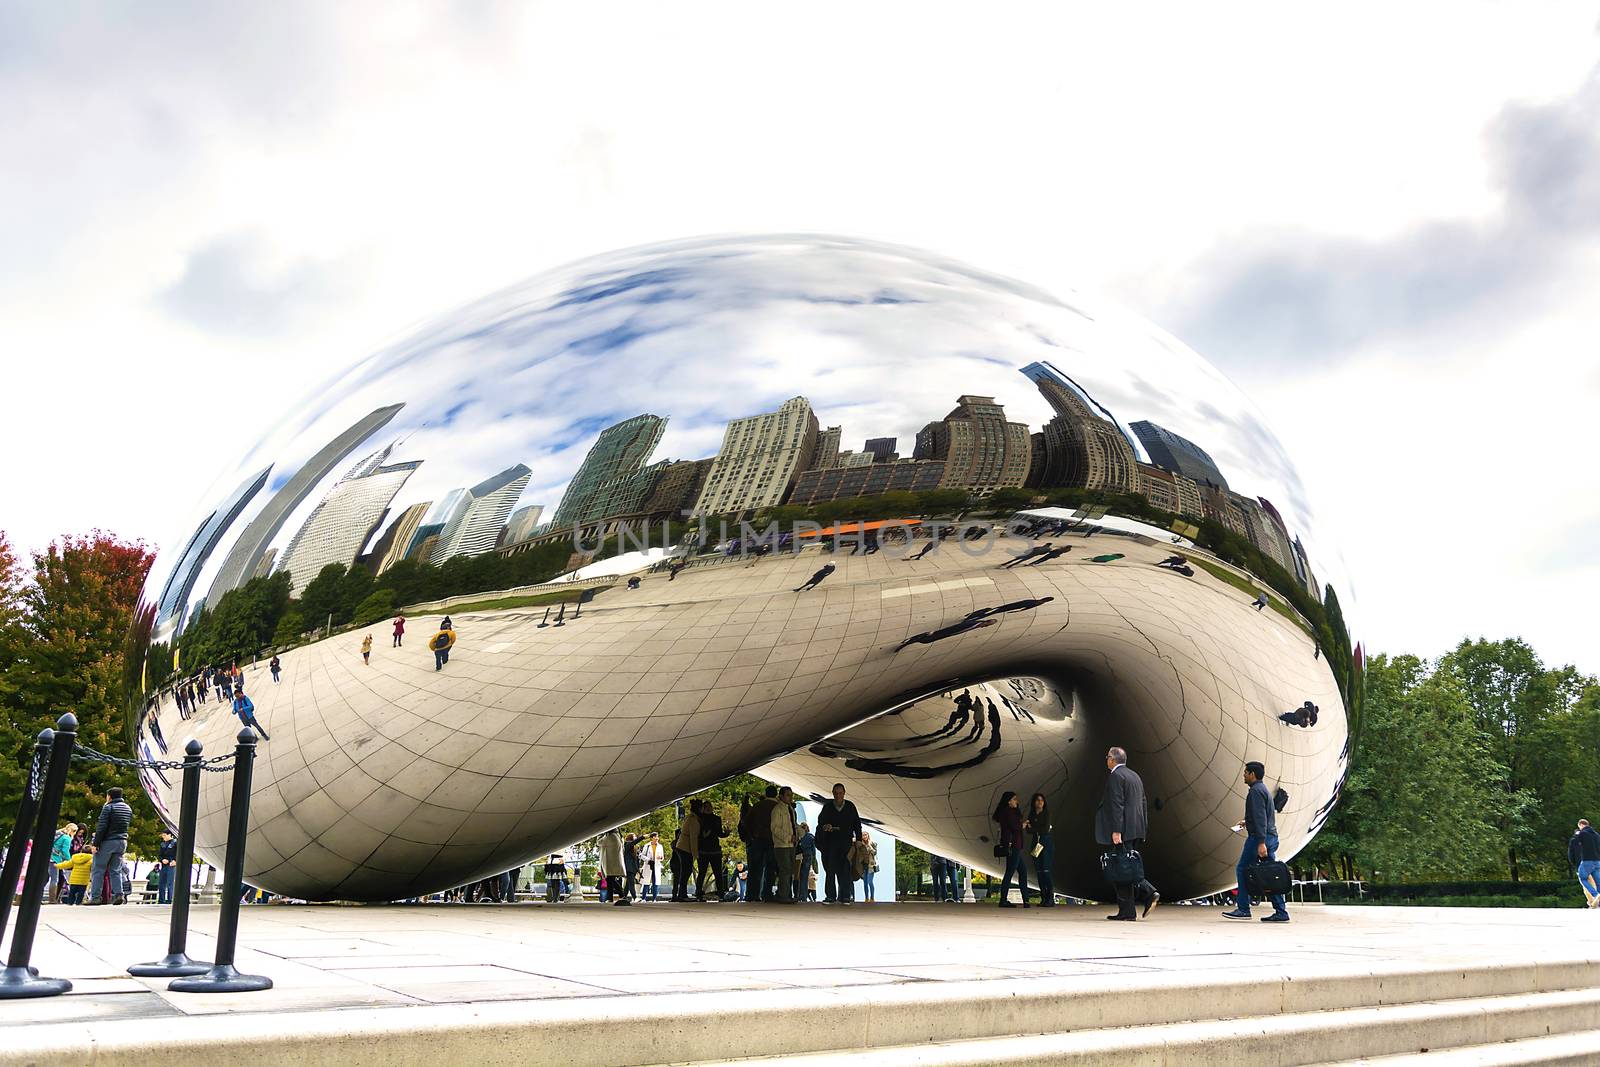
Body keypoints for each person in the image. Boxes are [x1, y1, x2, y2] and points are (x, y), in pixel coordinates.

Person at [1095, 747, 1159, 920]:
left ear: (1113, 759)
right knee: (1125, 866)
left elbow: (1117, 804)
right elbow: (1143, 803)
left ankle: (1148, 892)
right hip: (1135, 828)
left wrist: (1116, 830)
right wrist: (1143, 828)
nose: (1106, 759)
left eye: (1107, 756)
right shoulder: (1134, 776)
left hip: (1122, 830)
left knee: (1122, 867)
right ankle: (1127, 911)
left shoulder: (1116, 776)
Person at [1224, 761, 1289, 922]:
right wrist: (1247, 821)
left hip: (1260, 838)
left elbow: (1261, 818)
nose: (1244, 775)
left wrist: (1260, 842)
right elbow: (1263, 815)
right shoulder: (1263, 790)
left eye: (1246, 772)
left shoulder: (1255, 792)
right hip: (1269, 836)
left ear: (1252, 774)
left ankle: (1243, 909)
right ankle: (1281, 911)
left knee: (1242, 869)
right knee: (1271, 874)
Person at [86, 787, 133, 906]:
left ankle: (96, 897)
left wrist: (95, 844)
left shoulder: (108, 807)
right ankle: (118, 894)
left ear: (109, 796)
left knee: (98, 869)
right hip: (122, 842)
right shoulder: (127, 808)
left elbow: (102, 826)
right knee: (115, 869)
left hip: (108, 842)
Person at [816, 783, 862, 904]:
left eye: (840, 793)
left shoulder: (850, 806)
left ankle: (845, 896)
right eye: (836, 793)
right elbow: (821, 821)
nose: (838, 795)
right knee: (830, 869)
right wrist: (825, 826)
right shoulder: (828, 807)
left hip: (846, 842)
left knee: (845, 869)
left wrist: (858, 839)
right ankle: (830, 896)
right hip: (831, 842)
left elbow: (857, 823)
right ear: (833, 793)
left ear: (844, 793)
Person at [992, 791, 1029, 908]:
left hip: (1014, 846)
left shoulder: (1007, 812)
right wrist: (1023, 825)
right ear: (1008, 801)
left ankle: (1026, 900)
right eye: (1014, 799)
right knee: (1010, 872)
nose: (1016, 801)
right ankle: (1003, 900)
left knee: (1022, 871)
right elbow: (1015, 827)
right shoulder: (1008, 812)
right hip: (1013, 846)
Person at [694, 800, 729, 901]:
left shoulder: (716, 819)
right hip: (703, 850)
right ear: (703, 809)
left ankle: (721, 894)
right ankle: (699, 894)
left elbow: (719, 833)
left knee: (718, 873)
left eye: (709, 806)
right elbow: (697, 834)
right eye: (706, 807)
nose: (708, 808)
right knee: (702, 873)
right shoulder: (699, 819)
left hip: (714, 849)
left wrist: (726, 833)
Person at [1026, 793, 1055, 907]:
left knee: (1046, 871)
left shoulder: (1046, 814)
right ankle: (1043, 896)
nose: (1040, 802)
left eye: (1042, 800)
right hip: (1036, 843)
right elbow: (1028, 830)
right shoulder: (1032, 814)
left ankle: (1050, 898)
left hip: (1045, 843)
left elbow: (1045, 830)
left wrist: (1033, 828)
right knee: (1039, 871)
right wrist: (1034, 829)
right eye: (1037, 800)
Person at [771, 786, 798, 904]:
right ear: (781, 796)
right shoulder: (777, 810)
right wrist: (788, 837)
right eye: (788, 795)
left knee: (789, 870)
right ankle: (783, 895)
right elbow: (774, 828)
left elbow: (793, 825)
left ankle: (786, 893)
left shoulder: (790, 809)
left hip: (791, 845)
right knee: (785, 869)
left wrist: (799, 834)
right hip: (781, 845)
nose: (790, 797)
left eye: (791, 795)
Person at [1568, 818, 1600, 907]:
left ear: (1581, 825)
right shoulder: (1597, 835)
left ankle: (1595, 896)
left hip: (1586, 861)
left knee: (1583, 878)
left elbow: (1574, 844)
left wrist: (1577, 834)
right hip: (1597, 861)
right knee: (1597, 882)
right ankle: (1598, 898)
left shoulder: (1582, 834)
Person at [672, 803, 699, 902]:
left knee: (685, 871)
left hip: (682, 847)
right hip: (685, 848)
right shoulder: (693, 820)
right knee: (686, 871)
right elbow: (693, 837)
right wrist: (695, 853)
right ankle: (682, 894)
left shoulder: (689, 818)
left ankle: (682, 894)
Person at [599, 830, 630, 906]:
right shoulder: (617, 837)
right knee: (611, 880)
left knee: (610, 880)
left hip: (610, 863)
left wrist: (599, 835)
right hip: (614, 863)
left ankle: (618, 895)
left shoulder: (610, 837)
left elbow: (599, 842)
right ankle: (615, 896)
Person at [49, 822, 75, 904]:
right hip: (55, 860)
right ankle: (52, 900)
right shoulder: (66, 838)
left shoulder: (57, 834)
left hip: (48, 858)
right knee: (54, 879)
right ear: (72, 831)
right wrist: (70, 861)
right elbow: (65, 851)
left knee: (45, 879)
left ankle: (36, 897)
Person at [640, 830, 665, 901]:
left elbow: (662, 856)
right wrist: (648, 860)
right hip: (649, 865)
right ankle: (643, 898)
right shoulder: (647, 845)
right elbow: (642, 855)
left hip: (656, 865)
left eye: (657, 836)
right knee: (646, 882)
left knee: (655, 882)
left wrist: (661, 858)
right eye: (655, 837)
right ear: (651, 838)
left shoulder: (660, 846)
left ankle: (654, 899)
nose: (657, 838)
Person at [856, 829, 879, 902]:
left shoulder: (873, 843)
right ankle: (866, 898)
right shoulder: (860, 845)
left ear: (868, 835)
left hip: (871, 866)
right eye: (863, 835)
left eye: (866, 834)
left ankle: (872, 898)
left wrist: (869, 846)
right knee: (865, 883)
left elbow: (875, 853)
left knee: (870, 882)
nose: (864, 836)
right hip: (863, 866)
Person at [795, 821, 815, 902]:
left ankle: (797, 894)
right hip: (808, 856)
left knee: (797, 877)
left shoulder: (799, 836)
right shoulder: (811, 837)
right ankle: (803, 896)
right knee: (804, 877)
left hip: (799, 856)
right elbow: (813, 850)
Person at [157, 829, 178, 904]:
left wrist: (175, 861)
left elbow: (178, 853)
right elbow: (159, 855)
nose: (163, 837)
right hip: (164, 865)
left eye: (164, 835)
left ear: (169, 835)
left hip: (171, 865)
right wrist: (162, 860)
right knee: (161, 883)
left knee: (170, 883)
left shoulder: (175, 843)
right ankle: (161, 900)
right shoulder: (162, 844)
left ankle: (170, 900)